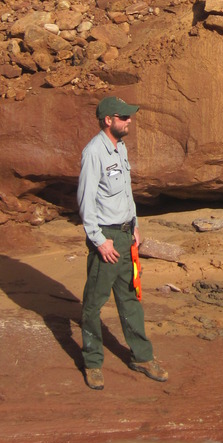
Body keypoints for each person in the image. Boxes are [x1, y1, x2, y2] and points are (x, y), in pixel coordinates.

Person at [77, 95, 168, 389]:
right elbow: (85, 201)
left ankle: (141, 356)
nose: (129, 121)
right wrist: (99, 240)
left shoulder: (121, 148)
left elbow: (125, 194)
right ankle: (92, 362)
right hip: (107, 239)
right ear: (108, 120)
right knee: (93, 304)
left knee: (131, 298)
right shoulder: (94, 153)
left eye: (129, 116)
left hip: (127, 236)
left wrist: (136, 226)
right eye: (124, 117)